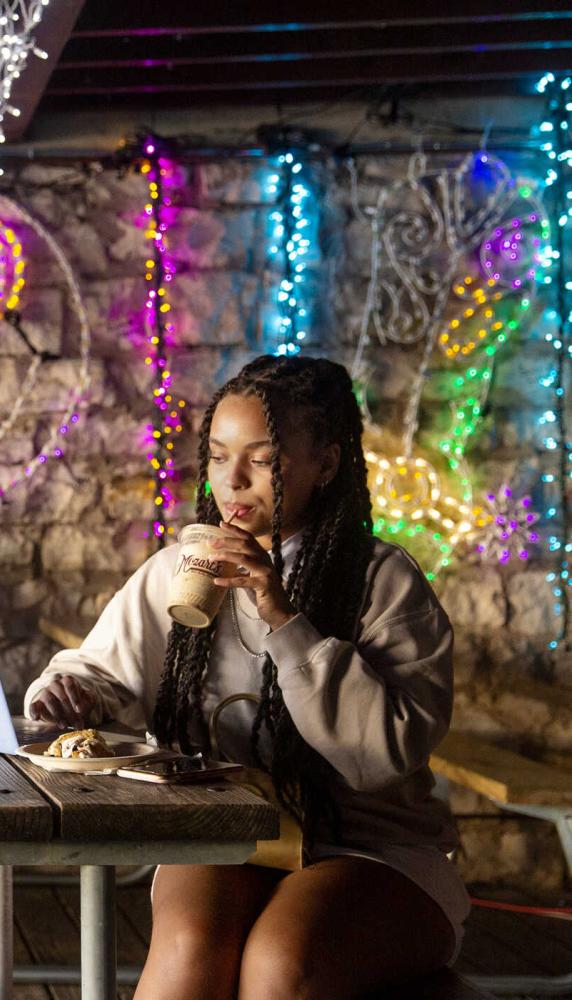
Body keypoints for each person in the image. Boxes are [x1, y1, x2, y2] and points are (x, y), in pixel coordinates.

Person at [24, 356, 466, 999]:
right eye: (218, 455)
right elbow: (92, 668)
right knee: (187, 956)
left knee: (280, 965)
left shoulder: (383, 583)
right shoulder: (178, 569)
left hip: (370, 848)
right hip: (228, 828)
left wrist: (283, 614)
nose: (233, 481)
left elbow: (382, 757)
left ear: (327, 464)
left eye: (261, 459)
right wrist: (72, 695)